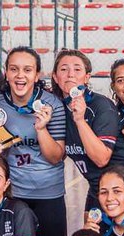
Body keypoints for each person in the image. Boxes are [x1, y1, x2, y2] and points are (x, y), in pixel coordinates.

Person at [0, 46, 67, 236]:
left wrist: (41, 129)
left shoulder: (52, 104)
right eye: (14, 69)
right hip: (13, 195)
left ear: (37, 74)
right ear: (6, 72)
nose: (20, 76)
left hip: (47, 194)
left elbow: (56, 156)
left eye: (27, 70)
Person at [50, 49, 118, 212]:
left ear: (87, 77)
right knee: (88, 226)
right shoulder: (58, 109)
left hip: (119, 187)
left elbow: (101, 159)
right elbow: (57, 155)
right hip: (96, 187)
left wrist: (80, 120)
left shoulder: (101, 106)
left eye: (77, 69)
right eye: (64, 69)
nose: (70, 75)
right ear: (55, 77)